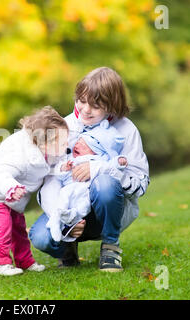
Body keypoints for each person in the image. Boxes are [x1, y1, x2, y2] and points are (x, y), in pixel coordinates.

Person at [28, 67, 150, 272]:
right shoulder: (63, 125)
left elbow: (141, 183)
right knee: (40, 238)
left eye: (96, 105)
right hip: (67, 205)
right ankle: (67, 246)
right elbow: (46, 179)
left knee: (104, 183)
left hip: (108, 208)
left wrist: (100, 168)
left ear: (112, 105)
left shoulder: (126, 130)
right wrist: (65, 220)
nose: (85, 110)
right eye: (81, 101)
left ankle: (111, 247)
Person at [0, 106, 69, 276]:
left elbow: (47, 168)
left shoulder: (45, 150)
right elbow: (0, 171)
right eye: (63, 143)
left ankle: (25, 261)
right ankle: (0, 263)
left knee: (19, 228)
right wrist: (11, 187)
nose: (67, 146)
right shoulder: (20, 154)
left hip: (13, 195)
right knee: (3, 226)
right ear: (44, 142)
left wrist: (61, 167)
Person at [47, 120, 128, 243]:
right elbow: (58, 175)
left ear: (96, 150)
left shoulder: (100, 159)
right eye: (78, 142)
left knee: (84, 206)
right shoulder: (71, 159)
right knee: (63, 197)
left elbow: (110, 164)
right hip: (70, 188)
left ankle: (73, 218)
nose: (77, 146)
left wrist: (119, 162)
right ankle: (56, 221)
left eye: (84, 145)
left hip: (85, 192)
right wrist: (64, 168)